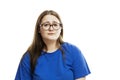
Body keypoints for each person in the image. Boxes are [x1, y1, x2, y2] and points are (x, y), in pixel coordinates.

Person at [15, 10, 91, 80]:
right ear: (39, 29)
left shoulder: (73, 51)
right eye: (46, 25)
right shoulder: (29, 57)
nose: (51, 28)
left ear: (61, 28)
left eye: (55, 24)